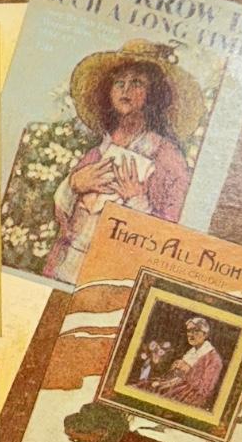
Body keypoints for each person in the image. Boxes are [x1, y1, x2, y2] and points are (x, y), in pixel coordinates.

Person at [43, 40, 201, 285]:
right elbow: (62, 216)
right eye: (119, 83)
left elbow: (172, 235)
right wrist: (73, 184)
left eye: (137, 82)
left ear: (153, 94)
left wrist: (137, 200)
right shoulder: (96, 153)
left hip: (113, 275)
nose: (125, 89)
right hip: (67, 267)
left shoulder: (168, 157)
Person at [150, 316, 223, 409]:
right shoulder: (192, 352)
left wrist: (188, 370)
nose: (191, 335)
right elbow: (177, 377)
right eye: (189, 331)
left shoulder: (213, 359)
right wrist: (176, 368)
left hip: (191, 398)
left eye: (196, 331)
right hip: (175, 388)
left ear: (205, 334)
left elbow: (205, 390)